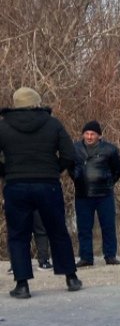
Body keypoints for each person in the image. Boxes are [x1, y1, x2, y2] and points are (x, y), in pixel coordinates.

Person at [0, 87, 82, 299]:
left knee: (18, 235)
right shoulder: (52, 124)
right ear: (37, 102)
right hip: (47, 183)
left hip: (16, 184)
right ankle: (71, 277)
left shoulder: (3, 126)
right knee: (57, 230)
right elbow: (69, 154)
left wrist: (7, 173)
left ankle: (22, 284)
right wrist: (54, 169)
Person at [73, 120, 120, 266]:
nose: (89, 137)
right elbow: (70, 166)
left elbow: (118, 169)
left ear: (99, 136)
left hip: (104, 194)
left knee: (108, 226)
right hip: (83, 194)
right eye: (87, 134)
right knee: (84, 227)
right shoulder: (75, 148)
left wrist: (109, 182)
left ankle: (110, 255)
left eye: (92, 134)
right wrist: (77, 177)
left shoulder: (110, 149)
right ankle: (86, 257)